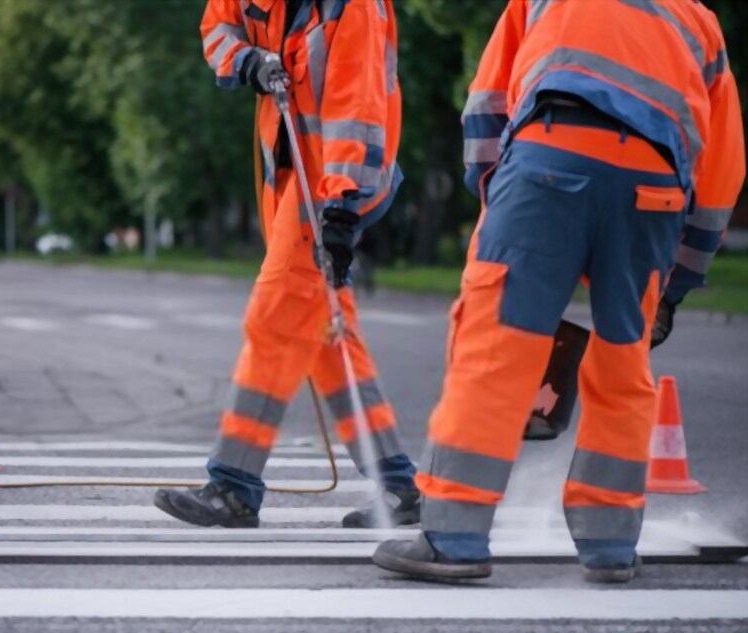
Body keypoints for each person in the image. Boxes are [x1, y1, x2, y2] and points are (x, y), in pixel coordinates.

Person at [373, 0, 744, 582]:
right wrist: (677, 286)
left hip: (551, 152)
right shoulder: (699, 19)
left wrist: (497, 197)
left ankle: (453, 537)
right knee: (624, 360)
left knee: (497, 347)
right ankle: (611, 544)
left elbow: (487, 105)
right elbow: (722, 172)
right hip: (655, 187)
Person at [154, 0, 418, 529]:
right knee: (330, 341)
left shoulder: (355, 9)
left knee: (273, 321)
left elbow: (358, 106)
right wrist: (247, 59)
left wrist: (342, 207)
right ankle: (398, 486)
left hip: (329, 192)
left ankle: (233, 484)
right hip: (294, 183)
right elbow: (216, 26)